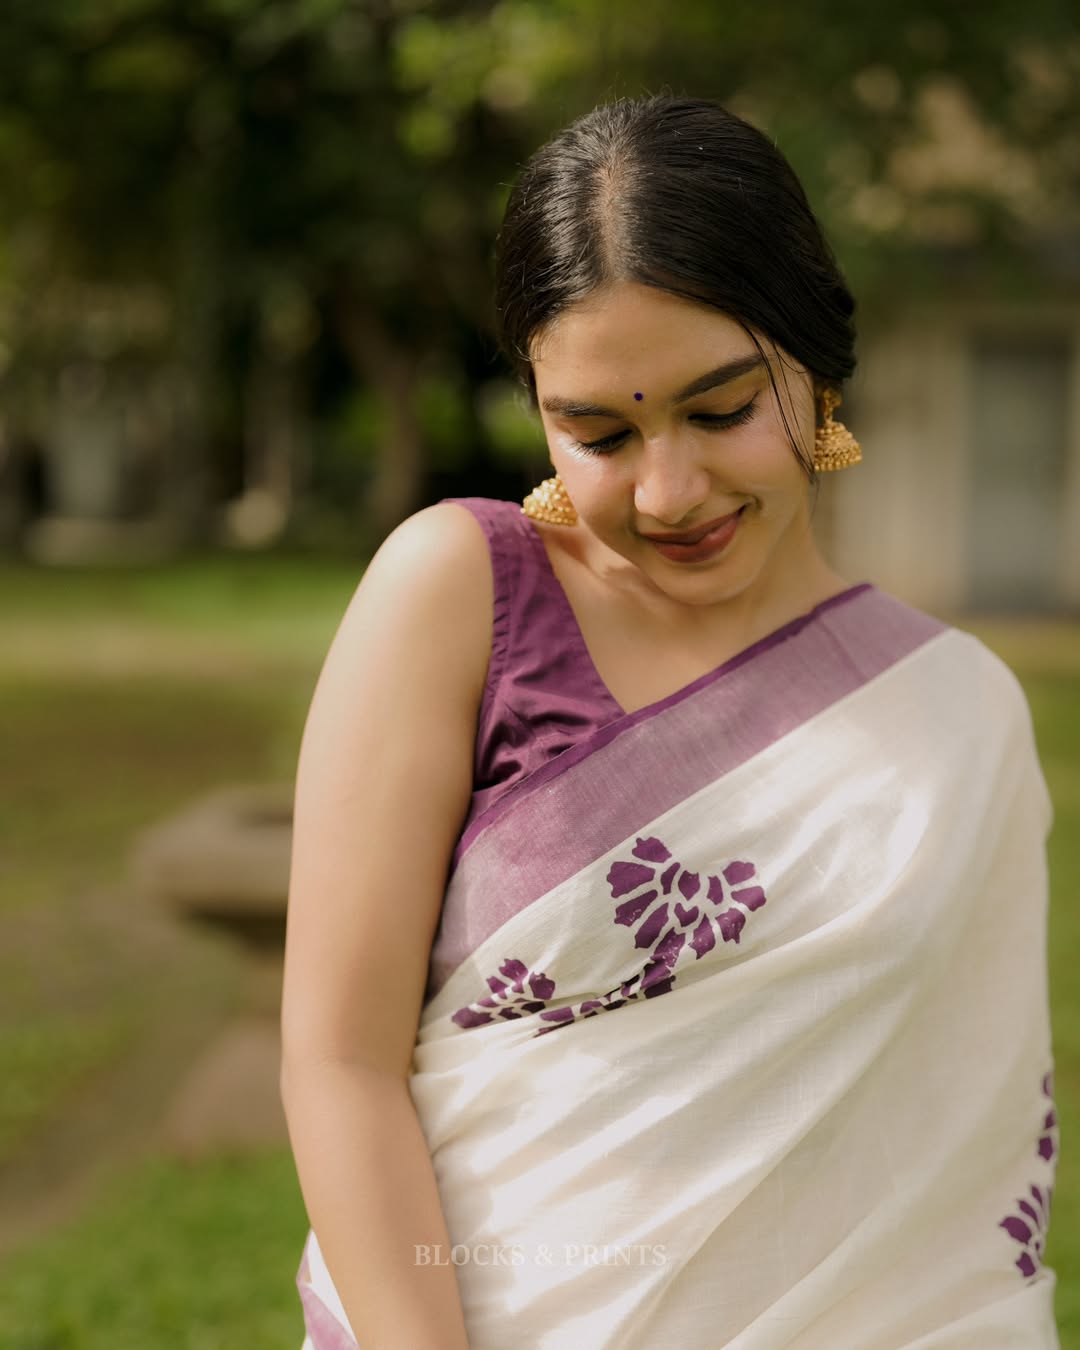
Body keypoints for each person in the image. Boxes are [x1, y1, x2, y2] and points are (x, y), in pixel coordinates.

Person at [280, 96, 1060, 1349]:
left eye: (721, 410)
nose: (669, 489)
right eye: (598, 431)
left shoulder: (958, 711)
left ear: (814, 361)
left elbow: (950, 1158)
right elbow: (340, 1062)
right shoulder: (462, 593)